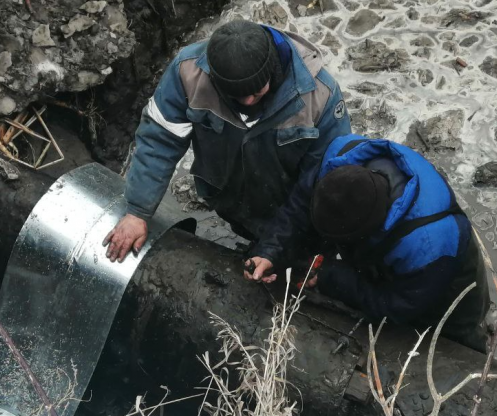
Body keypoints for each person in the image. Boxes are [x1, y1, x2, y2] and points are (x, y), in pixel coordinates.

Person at [104, 19, 351, 261]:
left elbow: (323, 181)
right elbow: (160, 139)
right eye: (236, 95)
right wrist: (138, 211)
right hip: (229, 200)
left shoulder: (320, 96)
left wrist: (275, 246)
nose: (247, 102)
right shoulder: (188, 72)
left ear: (272, 69)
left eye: (256, 92)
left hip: (288, 210)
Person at [244, 134, 490, 352]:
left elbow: (397, 305)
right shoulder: (340, 159)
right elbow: (297, 209)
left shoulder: (428, 246)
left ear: (365, 234)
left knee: (454, 339)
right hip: (394, 249)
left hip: (450, 283)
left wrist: (329, 277)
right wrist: (269, 251)